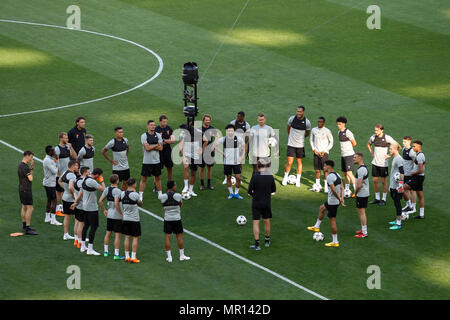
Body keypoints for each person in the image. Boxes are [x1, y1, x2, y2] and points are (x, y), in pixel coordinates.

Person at [307, 160, 345, 247]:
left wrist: (339, 199)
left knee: (332, 221)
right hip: (333, 201)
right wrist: (342, 198)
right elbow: (342, 187)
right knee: (322, 208)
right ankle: (316, 226)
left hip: (333, 202)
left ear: (329, 166)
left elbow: (333, 190)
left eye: (324, 166)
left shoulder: (329, 177)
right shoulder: (337, 174)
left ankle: (335, 242)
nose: (323, 167)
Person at [71, 168, 105, 255]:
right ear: (97, 175)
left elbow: (80, 193)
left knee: (86, 226)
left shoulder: (85, 179)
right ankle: (90, 249)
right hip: (92, 208)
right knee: (93, 227)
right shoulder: (92, 181)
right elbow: (103, 189)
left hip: (84, 207)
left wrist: (75, 203)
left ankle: (83, 246)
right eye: (99, 175)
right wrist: (102, 181)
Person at [158, 181, 190, 262]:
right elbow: (180, 205)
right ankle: (182, 256)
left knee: (167, 238)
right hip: (177, 219)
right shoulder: (178, 196)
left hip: (167, 219)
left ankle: (169, 257)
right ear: (172, 187)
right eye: (175, 185)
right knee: (179, 237)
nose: (176, 186)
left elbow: (163, 206)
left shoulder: (162, 197)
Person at [248, 160, 276, 250]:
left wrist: (255, 195)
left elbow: (249, 191)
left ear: (257, 166)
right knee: (266, 221)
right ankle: (267, 240)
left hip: (256, 202)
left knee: (256, 222)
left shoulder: (255, 177)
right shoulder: (270, 177)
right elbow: (273, 191)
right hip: (266, 203)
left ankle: (257, 244)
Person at [367, 124, 397, 206]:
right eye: (375, 130)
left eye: (377, 130)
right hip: (375, 163)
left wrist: (390, 155)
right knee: (375, 181)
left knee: (383, 182)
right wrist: (371, 152)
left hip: (383, 164)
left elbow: (396, 145)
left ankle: (383, 199)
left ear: (381, 130)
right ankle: (377, 198)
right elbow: (368, 144)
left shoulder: (387, 137)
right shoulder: (373, 137)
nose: (375, 132)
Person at [213, 124, 245, 199]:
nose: (230, 132)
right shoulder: (223, 139)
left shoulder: (239, 139)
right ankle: (231, 193)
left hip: (236, 162)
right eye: (228, 131)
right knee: (228, 177)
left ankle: (236, 193)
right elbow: (215, 146)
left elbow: (244, 147)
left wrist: (241, 157)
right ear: (226, 131)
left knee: (238, 178)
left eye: (231, 131)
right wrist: (222, 153)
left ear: (234, 131)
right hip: (227, 162)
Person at [282, 105, 311, 187]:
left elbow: (307, 133)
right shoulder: (291, 119)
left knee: (299, 162)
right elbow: (288, 128)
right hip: (291, 144)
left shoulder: (307, 122)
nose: (298, 113)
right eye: (297, 111)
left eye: (300, 111)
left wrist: (301, 138)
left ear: (303, 112)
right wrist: (290, 136)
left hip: (300, 146)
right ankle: (285, 177)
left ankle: (298, 180)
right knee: (289, 162)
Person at [116, 178, 143, 263]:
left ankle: (127, 256)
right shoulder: (135, 194)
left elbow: (118, 201)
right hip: (134, 219)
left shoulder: (122, 193)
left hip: (126, 218)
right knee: (135, 237)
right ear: (134, 184)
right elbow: (140, 204)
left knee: (127, 237)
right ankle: (133, 257)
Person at [99, 174, 125, 260]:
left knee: (108, 233)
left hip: (109, 215)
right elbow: (117, 203)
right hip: (117, 216)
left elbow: (100, 201)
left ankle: (106, 252)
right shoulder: (118, 191)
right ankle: (116, 254)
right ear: (117, 181)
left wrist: (104, 210)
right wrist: (121, 213)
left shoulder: (107, 189)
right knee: (118, 235)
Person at [179, 121, 208, 197]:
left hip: (195, 155)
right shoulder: (183, 133)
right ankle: (185, 187)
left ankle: (191, 190)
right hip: (186, 154)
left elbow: (206, 141)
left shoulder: (199, 132)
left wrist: (202, 149)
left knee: (193, 172)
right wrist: (184, 157)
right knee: (186, 167)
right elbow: (180, 146)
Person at [139, 120, 163, 201]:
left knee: (158, 178)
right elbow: (147, 148)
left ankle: (160, 194)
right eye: (151, 125)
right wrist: (156, 145)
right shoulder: (144, 136)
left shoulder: (158, 135)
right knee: (144, 179)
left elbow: (161, 148)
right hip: (147, 161)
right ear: (147, 126)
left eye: (154, 125)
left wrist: (152, 146)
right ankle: (140, 195)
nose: (153, 126)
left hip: (156, 161)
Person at [308, 116, 334, 192]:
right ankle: (318, 185)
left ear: (323, 123)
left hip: (324, 153)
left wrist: (325, 150)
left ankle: (326, 187)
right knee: (317, 170)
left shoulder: (327, 131)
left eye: (320, 122)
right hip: (316, 153)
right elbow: (311, 140)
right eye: (318, 122)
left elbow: (331, 142)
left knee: (325, 170)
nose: (319, 123)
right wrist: (314, 149)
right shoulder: (314, 130)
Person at [225, 111, 251, 184]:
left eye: (239, 117)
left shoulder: (247, 125)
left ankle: (238, 177)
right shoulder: (233, 122)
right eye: (237, 116)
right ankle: (227, 178)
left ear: (242, 117)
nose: (237, 118)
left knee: (240, 162)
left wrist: (243, 145)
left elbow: (247, 136)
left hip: (240, 146)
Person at [55, 132, 77, 215]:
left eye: (67, 138)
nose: (67, 139)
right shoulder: (57, 149)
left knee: (65, 191)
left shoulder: (68, 147)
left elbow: (75, 156)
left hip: (67, 173)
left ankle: (64, 208)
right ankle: (57, 209)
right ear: (61, 139)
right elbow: (55, 163)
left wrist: (71, 148)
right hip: (61, 174)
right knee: (59, 192)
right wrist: (60, 174)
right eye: (65, 138)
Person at [102, 126, 130, 191]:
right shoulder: (112, 142)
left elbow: (127, 147)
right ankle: (115, 196)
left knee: (126, 183)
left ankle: (121, 195)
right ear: (115, 133)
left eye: (122, 132)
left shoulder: (125, 140)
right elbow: (103, 151)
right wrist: (111, 161)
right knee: (115, 184)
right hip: (117, 167)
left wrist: (126, 156)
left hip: (126, 167)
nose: (121, 133)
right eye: (119, 132)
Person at [403, 140, 426, 220]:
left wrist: (413, 173)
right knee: (420, 196)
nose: (413, 148)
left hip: (417, 177)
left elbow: (421, 170)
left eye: (414, 146)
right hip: (420, 177)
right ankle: (421, 214)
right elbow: (424, 165)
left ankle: (410, 206)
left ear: (419, 147)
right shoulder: (420, 155)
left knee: (403, 188)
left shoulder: (419, 156)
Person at [336, 117, 357, 197]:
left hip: (349, 155)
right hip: (343, 155)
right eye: (337, 124)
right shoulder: (339, 132)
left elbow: (354, 143)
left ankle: (356, 190)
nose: (338, 125)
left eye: (340, 124)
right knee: (345, 173)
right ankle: (347, 189)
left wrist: (348, 148)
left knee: (349, 172)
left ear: (344, 124)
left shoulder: (348, 132)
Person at [18, 150, 37, 235]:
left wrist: (31, 167)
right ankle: (27, 227)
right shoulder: (25, 167)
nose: (31, 159)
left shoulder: (20, 165)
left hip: (22, 188)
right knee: (30, 208)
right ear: (27, 156)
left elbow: (29, 176)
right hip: (26, 189)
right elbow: (31, 178)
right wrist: (31, 167)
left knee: (24, 207)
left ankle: (24, 226)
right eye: (31, 157)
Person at [59, 160, 79, 240]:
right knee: (77, 218)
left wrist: (65, 189)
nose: (78, 167)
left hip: (64, 197)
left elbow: (59, 181)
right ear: (72, 166)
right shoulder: (72, 175)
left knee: (67, 216)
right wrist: (74, 195)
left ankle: (66, 234)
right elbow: (71, 187)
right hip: (70, 199)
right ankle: (77, 236)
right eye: (76, 165)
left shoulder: (64, 173)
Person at [387, 143, 406, 230]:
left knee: (397, 203)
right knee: (396, 203)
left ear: (395, 149)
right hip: (393, 186)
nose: (389, 150)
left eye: (390, 149)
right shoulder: (395, 158)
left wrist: (401, 186)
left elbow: (402, 172)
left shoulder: (399, 159)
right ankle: (397, 219)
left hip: (396, 187)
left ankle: (398, 223)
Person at [43, 145, 62, 226]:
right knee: (54, 200)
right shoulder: (48, 160)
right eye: (53, 150)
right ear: (49, 152)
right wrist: (56, 162)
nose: (54, 152)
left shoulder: (49, 159)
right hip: (50, 183)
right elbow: (54, 171)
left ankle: (47, 217)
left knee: (49, 199)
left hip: (49, 182)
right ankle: (53, 220)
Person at [353, 153, 369, 238]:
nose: (353, 159)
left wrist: (355, 193)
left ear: (360, 158)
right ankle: (363, 229)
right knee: (359, 210)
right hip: (362, 193)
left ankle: (364, 232)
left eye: (355, 157)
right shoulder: (362, 168)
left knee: (362, 212)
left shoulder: (361, 170)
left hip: (362, 193)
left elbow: (359, 185)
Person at [199, 114, 218, 190]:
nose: (208, 121)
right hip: (202, 150)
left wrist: (214, 145)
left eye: (209, 120)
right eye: (206, 120)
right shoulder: (199, 129)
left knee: (209, 168)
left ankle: (209, 184)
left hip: (210, 150)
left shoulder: (212, 128)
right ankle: (202, 184)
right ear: (203, 120)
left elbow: (217, 136)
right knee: (202, 168)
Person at [73, 166, 89, 248]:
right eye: (88, 172)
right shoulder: (81, 182)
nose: (89, 173)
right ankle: (79, 241)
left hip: (78, 204)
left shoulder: (78, 179)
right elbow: (81, 193)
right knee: (81, 223)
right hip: (81, 205)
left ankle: (76, 239)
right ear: (84, 172)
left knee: (77, 221)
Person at [155, 116, 175, 182]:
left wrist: (164, 140)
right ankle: (156, 185)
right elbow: (156, 142)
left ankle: (169, 183)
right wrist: (167, 140)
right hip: (159, 152)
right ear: (160, 121)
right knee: (158, 169)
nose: (165, 123)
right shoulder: (156, 129)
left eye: (166, 121)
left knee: (169, 167)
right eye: (164, 122)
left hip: (168, 151)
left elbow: (173, 141)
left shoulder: (169, 128)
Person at [401, 136, 417, 215]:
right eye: (403, 142)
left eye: (405, 142)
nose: (404, 143)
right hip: (405, 174)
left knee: (412, 190)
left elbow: (416, 162)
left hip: (410, 174)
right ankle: (408, 205)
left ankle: (413, 207)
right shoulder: (403, 149)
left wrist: (414, 172)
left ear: (409, 142)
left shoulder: (412, 152)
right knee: (406, 190)